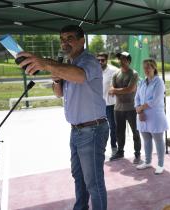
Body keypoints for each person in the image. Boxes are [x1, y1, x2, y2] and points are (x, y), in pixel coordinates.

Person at [17, 25, 109, 210]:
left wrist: (48, 64)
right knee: (78, 177)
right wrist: (56, 77)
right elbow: (58, 93)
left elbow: (81, 77)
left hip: (92, 130)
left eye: (69, 38)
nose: (64, 42)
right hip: (76, 130)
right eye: (62, 39)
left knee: (93, 182)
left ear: (82, 41)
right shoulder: (67, 65)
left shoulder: (89, 61)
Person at [134, 59, 168, 174]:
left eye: (149, 67)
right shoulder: (142, 82)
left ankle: (160, 164)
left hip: (155, 116)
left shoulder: (159, 82)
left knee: (158, 140)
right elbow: (137, 97)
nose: (146, 70)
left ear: (154, 68)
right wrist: (138, 110)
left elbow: (155, 100)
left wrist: (141, 108)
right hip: (142, 116)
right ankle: (148, 161)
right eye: (145, 67)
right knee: (146, 139)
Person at [109, 51, 142, 164]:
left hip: (132, 108)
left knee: (135, 132)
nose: (121, 61)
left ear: (129, 61)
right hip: (118, 109)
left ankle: (137, 154)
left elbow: (130, 89)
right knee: (119, 132)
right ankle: (120, 151)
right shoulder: (115, 74)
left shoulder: (134, 74)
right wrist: (118, 90)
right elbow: (110, 90)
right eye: (120, 59)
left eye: (124, 59)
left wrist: (116, 90)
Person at [97, 52, 119, 156]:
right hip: (97, 105)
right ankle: (101, 148)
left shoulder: (114, 70)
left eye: (102, 60)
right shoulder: (95, 70)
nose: (100, 62)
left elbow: (120, 84)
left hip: (110, 105)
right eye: (98, 60)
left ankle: (114, 147)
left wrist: (114, 89)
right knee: (99, 128)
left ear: (107, 60)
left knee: (112, 127)